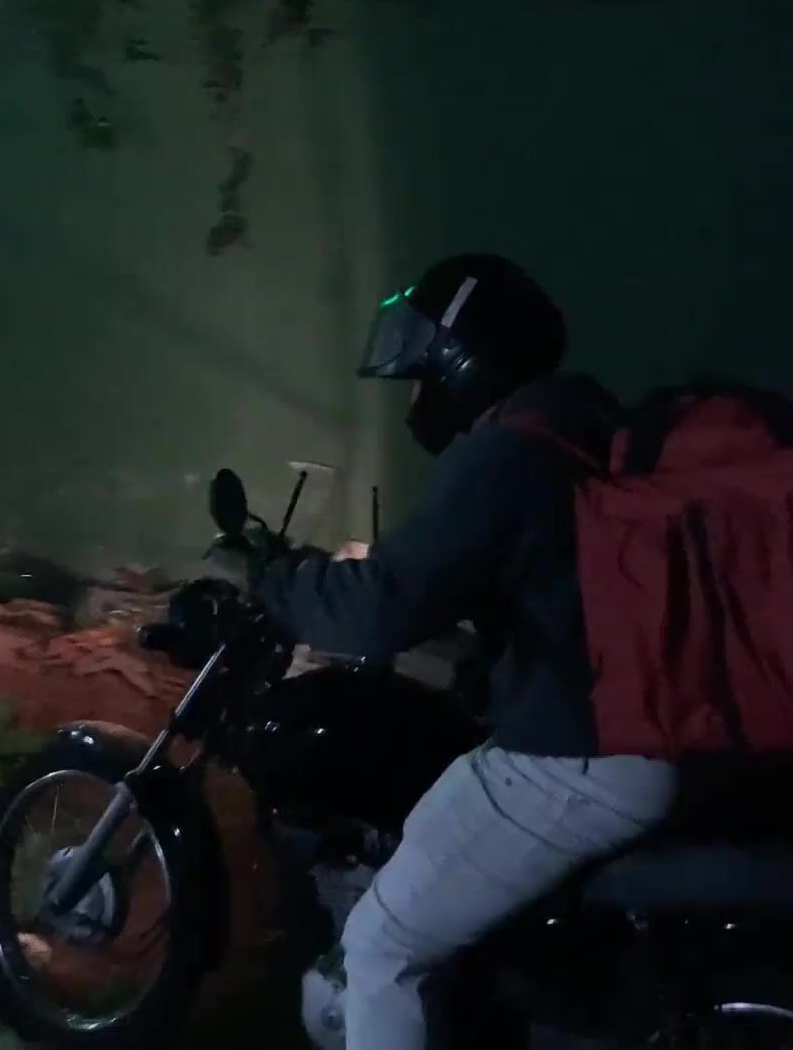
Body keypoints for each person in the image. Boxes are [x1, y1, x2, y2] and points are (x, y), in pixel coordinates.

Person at [247, 253, 681, 1049]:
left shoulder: (508, 454)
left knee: (378, 950)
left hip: (576, 757)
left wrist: (271, 576)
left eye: (421, 376)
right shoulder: (582, 424)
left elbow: (378, 609)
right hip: (633, 730)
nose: (417, 397)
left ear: (464, 362)